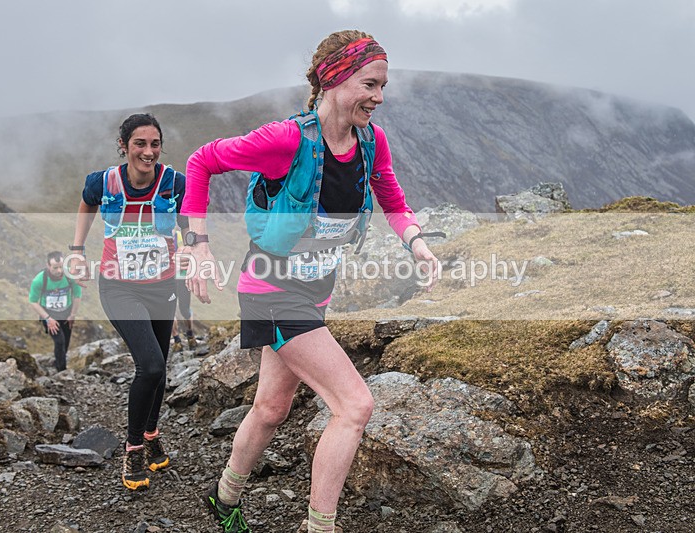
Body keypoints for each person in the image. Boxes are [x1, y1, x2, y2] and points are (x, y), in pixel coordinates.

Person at [182, 30, 441, 533]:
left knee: (272, 406)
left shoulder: (370, 140)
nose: (379, 97)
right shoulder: (286, 140)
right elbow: (201, 161)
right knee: (354, 405)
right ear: (334, 78)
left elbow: (389, 193)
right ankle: (320, 527)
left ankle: (224, 498)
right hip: (272, 290)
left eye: (383, 86)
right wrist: (198, 245)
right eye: (370, 83)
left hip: (314, 289)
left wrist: (417, 242)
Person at [67, 113, 187, 491]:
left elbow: (190, 225)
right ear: (124, 145)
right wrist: (76, 249)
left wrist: (196, 252)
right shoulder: (103, 182)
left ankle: (151, 434)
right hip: (119, 287)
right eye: (140, 143)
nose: (148, 152)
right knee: (149, 365)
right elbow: (87, 204)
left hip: (162, 284)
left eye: (154, 144)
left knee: (161, 366)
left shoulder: (174, 184)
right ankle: (133, 448)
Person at [28, 251, 82, 372]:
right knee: (60, 341)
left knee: (65, 343)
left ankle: (59, 360)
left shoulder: (70, 275)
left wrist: (72, 315)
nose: (59, 271)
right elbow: (33, 301)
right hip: (49, 314)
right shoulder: (39, 280)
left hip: (66, 313)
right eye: (55, 268)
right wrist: (47, 318)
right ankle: (61, 371)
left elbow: (77, 295)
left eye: (61, 267)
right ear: (48, 266)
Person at [171, 229, 197, 352]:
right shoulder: (157, 237)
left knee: (184, 309)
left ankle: (190, 335)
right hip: (167, 278)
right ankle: (177, 340)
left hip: (182, 276)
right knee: (168, 310)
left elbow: (185, 250)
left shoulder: (179, 236)